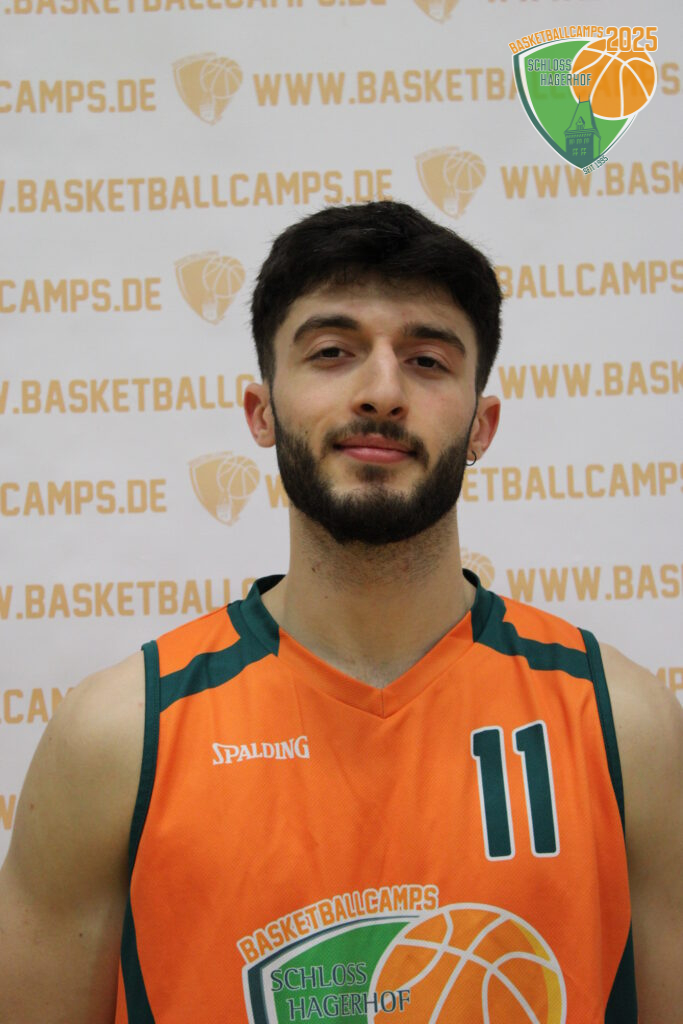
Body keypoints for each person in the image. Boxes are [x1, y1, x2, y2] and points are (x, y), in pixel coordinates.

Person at [0, 202, 680, 1024]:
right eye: (332, 352)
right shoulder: (117, 738)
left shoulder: (624, 727)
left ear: (481, 426)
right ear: (260, 412)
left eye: (426, 360)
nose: (382, 392)